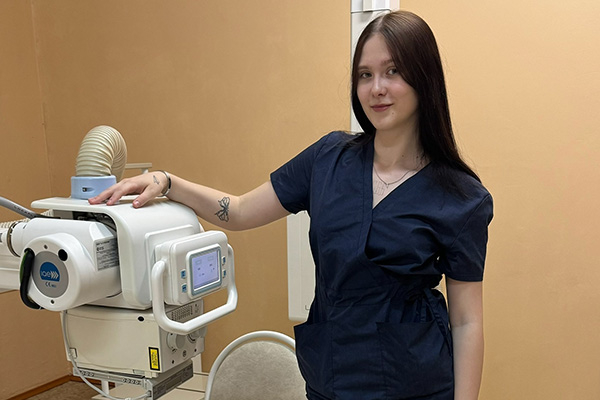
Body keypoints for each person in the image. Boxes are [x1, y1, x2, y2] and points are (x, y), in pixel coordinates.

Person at [90, 10, 493, 400]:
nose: (376, 88)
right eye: (365, 75)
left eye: (393, 71)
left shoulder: (460, 197)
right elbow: (240, 210)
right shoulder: (328, 158)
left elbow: (466, 320)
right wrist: (167, 182)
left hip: (416, 382)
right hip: (331, 376)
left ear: (424, 78)